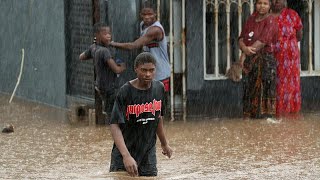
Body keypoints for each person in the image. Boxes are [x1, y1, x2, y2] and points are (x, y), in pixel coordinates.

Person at [109, 52, 173, 177]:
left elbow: (158, 118)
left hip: (147, 152)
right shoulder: (125, 91)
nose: (148, 74)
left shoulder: (159, 89)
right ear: (136, 69)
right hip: (124, 151)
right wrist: (126, 156)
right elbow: (114, 125)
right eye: (144, 70)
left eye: (151, 70)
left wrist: (164, 144)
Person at [110, 2, 171, 93]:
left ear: (155, 14)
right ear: (140, 15)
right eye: (144, 14)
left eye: (150, 14)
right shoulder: (142, 25)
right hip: (148, 73)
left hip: (160, 73)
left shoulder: (155, 30)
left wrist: (112, 43)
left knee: (159, 103)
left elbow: (133, 46)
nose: (147, 17)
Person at [238, 0, 278, 119]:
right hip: (250, 62)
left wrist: (247, 52)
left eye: (265, 3)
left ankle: (265, 124)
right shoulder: (251, 19)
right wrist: (244, 48)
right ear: (255, 4)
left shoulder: (271, 20)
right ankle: (250, 122)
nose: (262, 6)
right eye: (259, 3)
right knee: (249, 91)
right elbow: (241, 37)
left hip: (265, 61)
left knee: (265, 91)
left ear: (270, 6)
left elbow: (263, 41)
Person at [79, 23, 126, 122]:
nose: (108, 36)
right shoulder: (105, 51)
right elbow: (116, 69)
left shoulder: (94, 48)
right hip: (110, 88)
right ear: (97, 35)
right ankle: (115, 130)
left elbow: (81, 57)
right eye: (105, 34)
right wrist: (123, 66)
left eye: (109, 33)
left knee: (110, 110)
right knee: (114, 113)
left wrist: (95, 55)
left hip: (100, 86)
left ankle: (112, 128)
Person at [271, 0, 303, 117]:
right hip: (271, 57)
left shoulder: (292, 14)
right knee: (275, 83)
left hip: (291, 59)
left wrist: (287, 45)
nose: (277, 1)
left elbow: (299, 35)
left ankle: (290, 112)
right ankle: (276, 112)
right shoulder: (266, 16)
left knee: (291, 84)